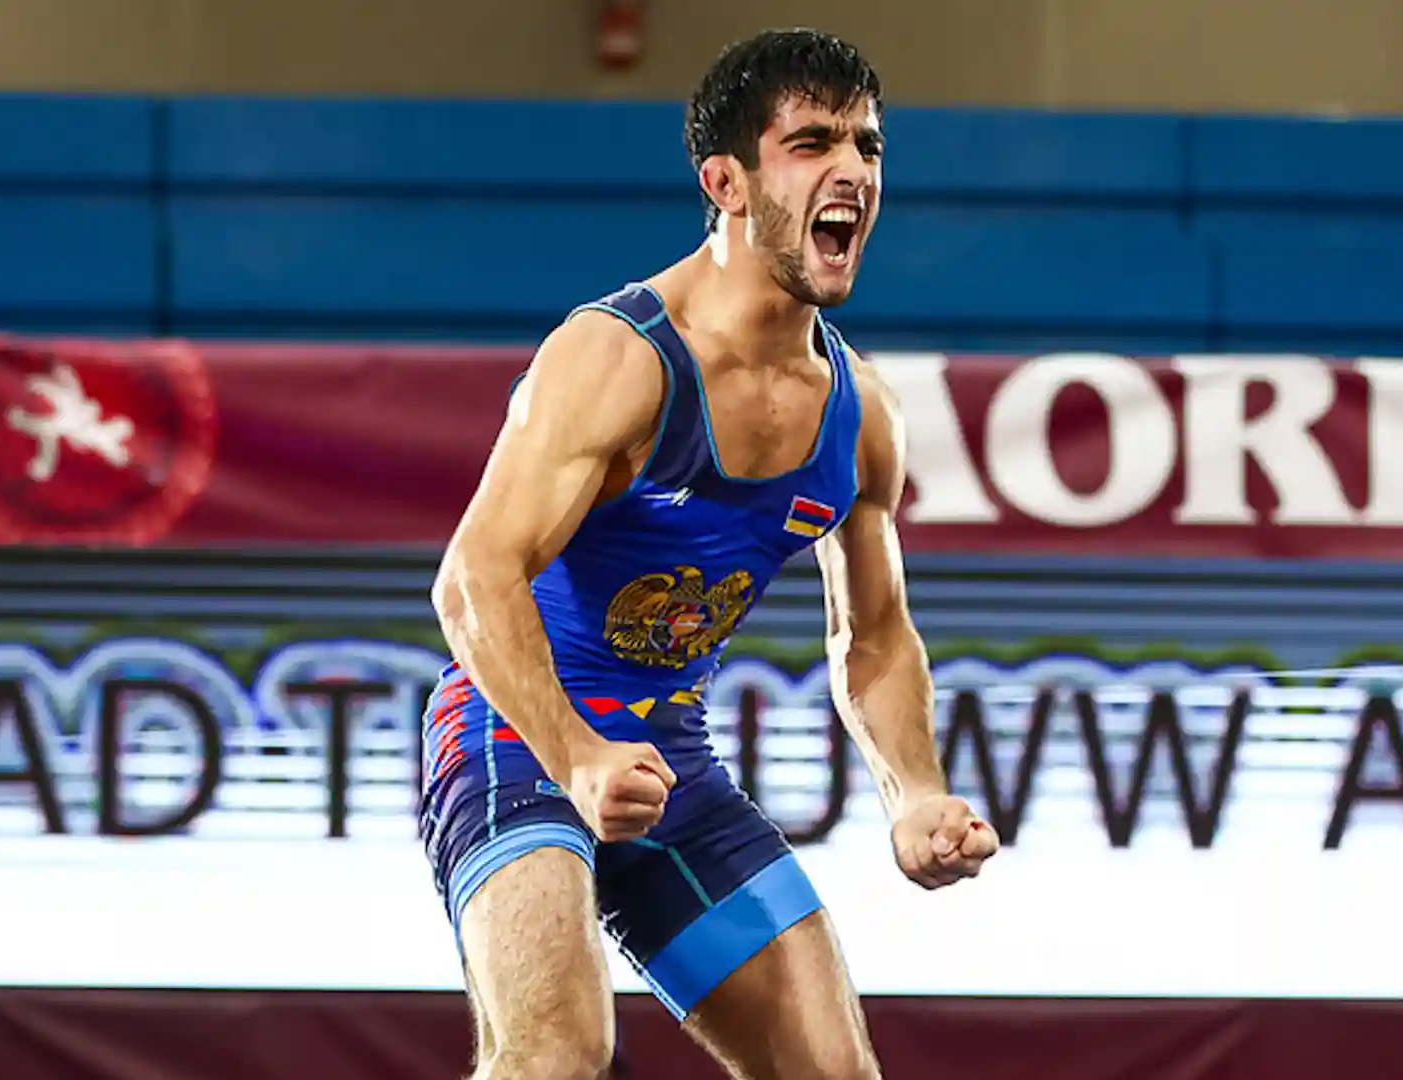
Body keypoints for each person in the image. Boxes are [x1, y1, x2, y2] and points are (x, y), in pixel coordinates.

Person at [419, 27, 999, 1080]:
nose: (853, 171)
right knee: (557, 1052)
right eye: (812, 143)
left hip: (668, 761)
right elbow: (474, 578)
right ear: (725, 183)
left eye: (867, 146)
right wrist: (575, 754)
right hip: (517, 735)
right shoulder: (617, 357)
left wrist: (914, 791)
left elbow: (873, 636)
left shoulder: (862, 414)